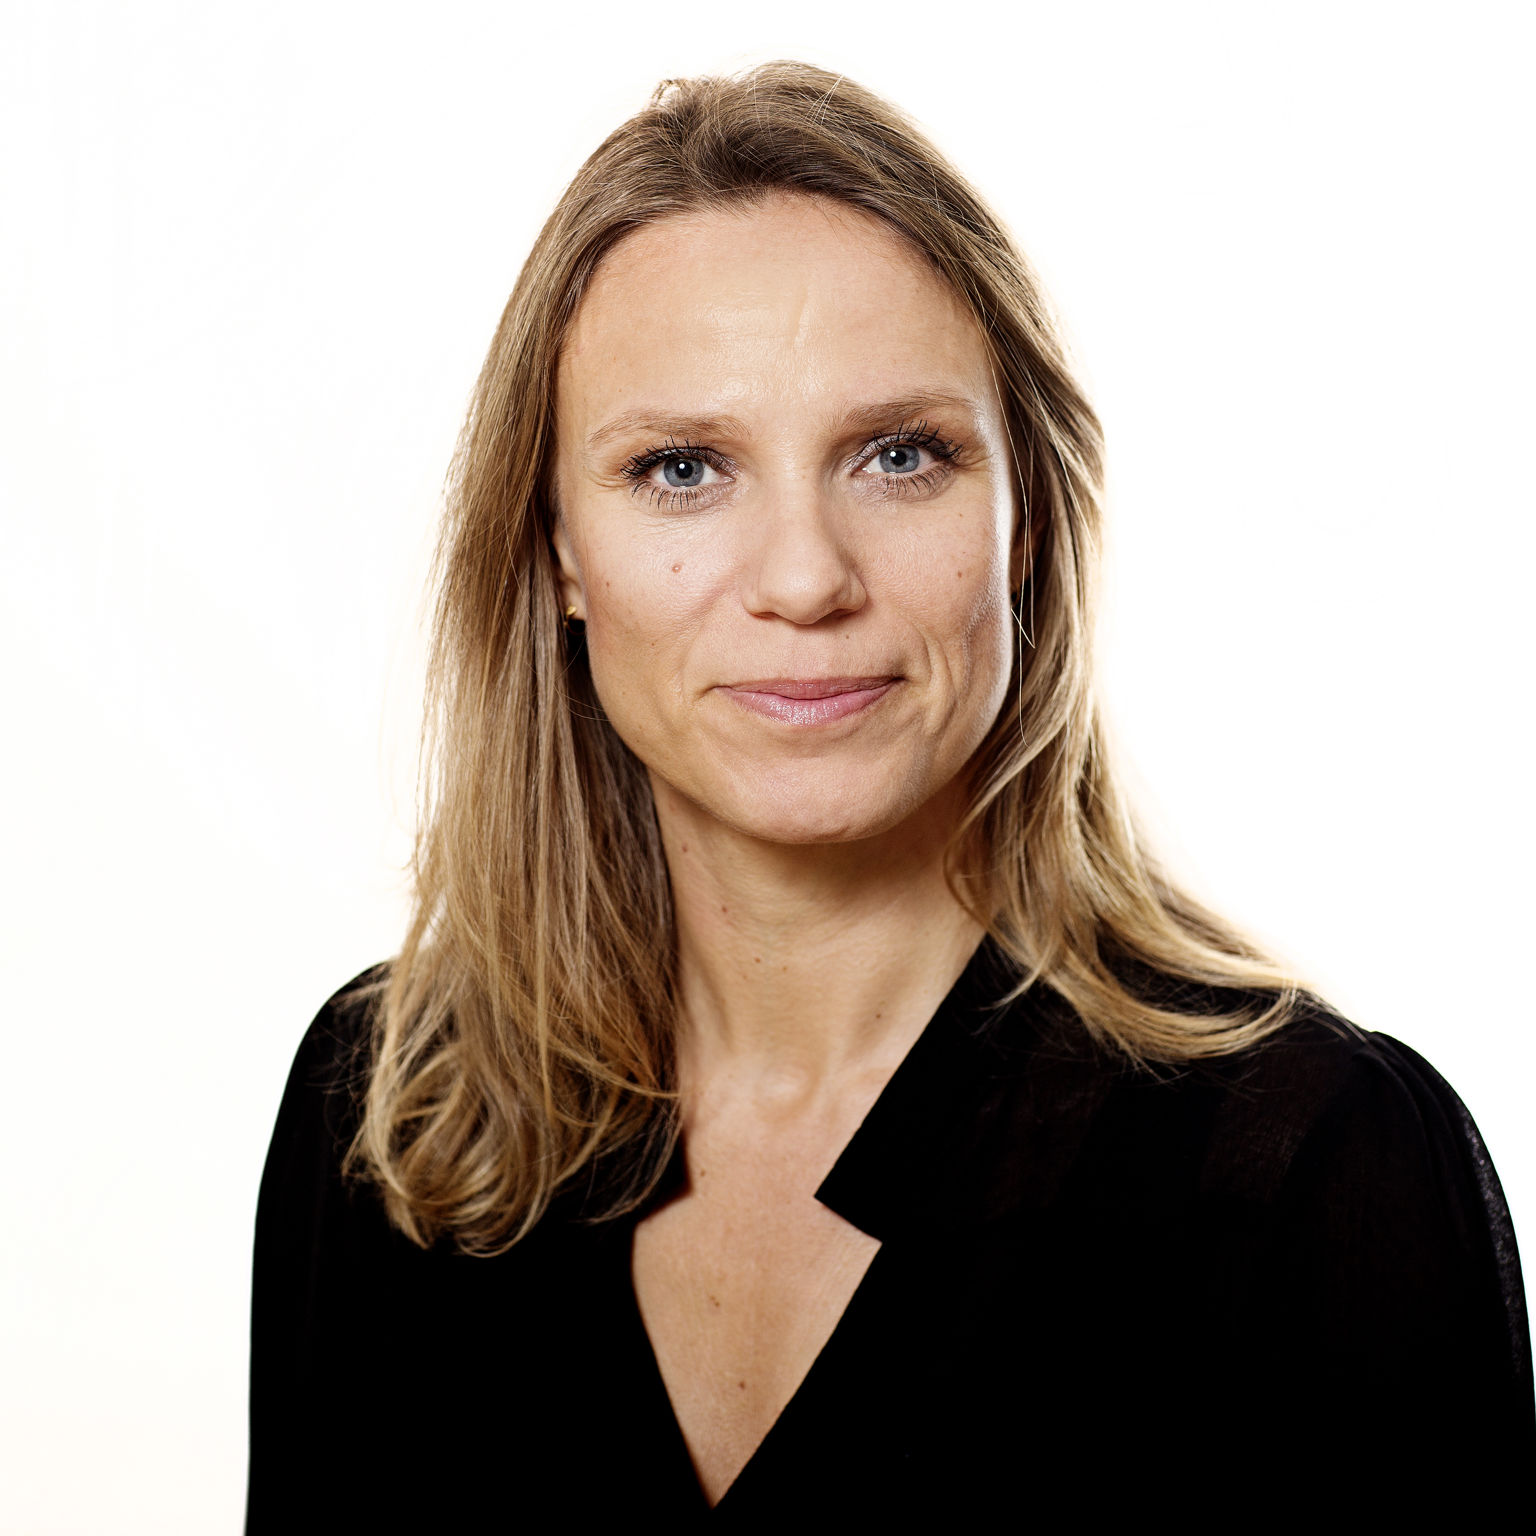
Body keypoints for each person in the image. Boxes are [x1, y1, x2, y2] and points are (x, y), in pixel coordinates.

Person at [245, 61, 1532, 1525]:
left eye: (901, 456)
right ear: (556, 553)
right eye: (682, 468)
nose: (805, 578)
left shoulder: (1320, 1163)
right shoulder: (391, 1113)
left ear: (1026, 521)